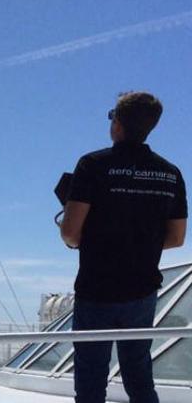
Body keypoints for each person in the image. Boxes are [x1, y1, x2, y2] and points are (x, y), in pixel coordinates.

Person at [60, 91, 187, 403]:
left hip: (96, 289)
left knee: (90, 379)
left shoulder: (93, 165)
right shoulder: (171, 174)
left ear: (117, 124)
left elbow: (71, 233)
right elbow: (176, 238)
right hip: (142, 291)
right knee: (139, 376)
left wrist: (76, 234)